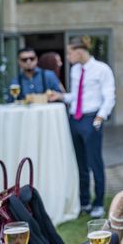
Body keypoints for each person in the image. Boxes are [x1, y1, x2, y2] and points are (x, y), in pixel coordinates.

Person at [48, 37, 115, 218]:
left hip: (92, 119)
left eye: (69, 53)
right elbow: (77, 97)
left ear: (79, 51)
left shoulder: (102, 69)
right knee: (80, 163)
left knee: (95, 163)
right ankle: (84, 201)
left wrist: (100, 117)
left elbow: (109, 96)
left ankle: (99, 203)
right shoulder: (76, 70)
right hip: (75, 119)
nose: (67, 57)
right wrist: (60, 96)